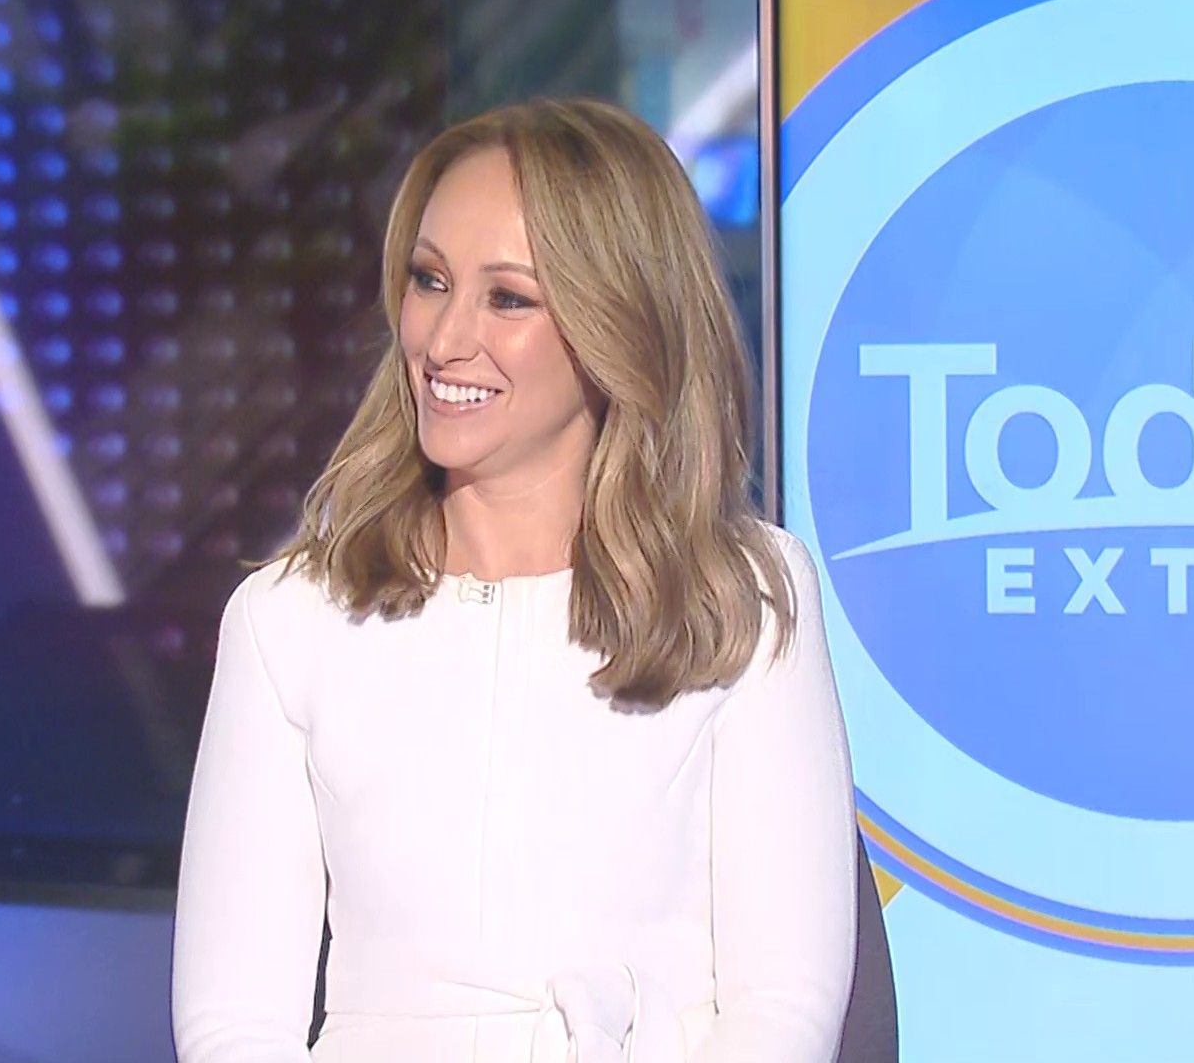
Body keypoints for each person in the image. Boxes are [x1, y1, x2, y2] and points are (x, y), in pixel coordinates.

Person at [170, 96, 857, 1062]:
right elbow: (233, 1026)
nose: (444, 339)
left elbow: (782, 1011)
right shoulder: (289, 622)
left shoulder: (743, 600)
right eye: (430, 280)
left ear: (617, 323)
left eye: (508, 299)